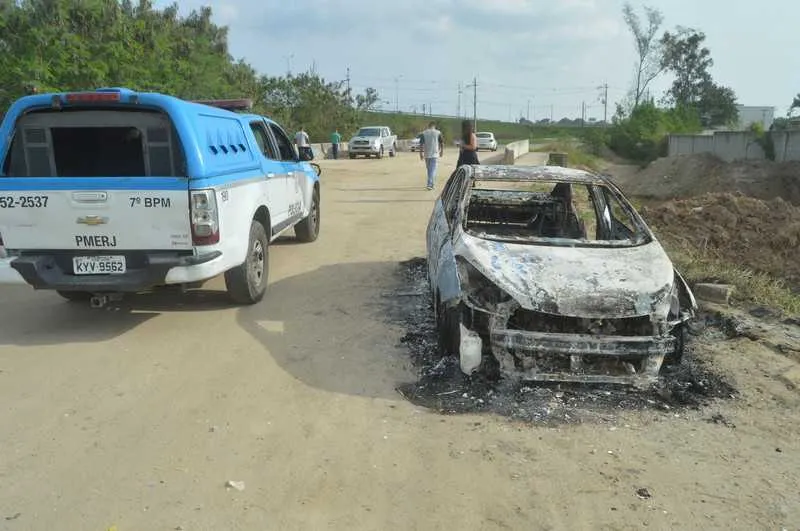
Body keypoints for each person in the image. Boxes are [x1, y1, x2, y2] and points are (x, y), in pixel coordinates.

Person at [419, 121, 444, 190]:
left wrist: (421, 153)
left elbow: (421, 144)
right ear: (434, 126)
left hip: (427, 154)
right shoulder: (438, 132)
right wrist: (442, 151)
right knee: (432, 170)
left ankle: (430, 184)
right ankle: (430, 184)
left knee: (429, 170)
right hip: (435, 154)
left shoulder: (424, 133)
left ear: (429, 126)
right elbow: (442, 143)